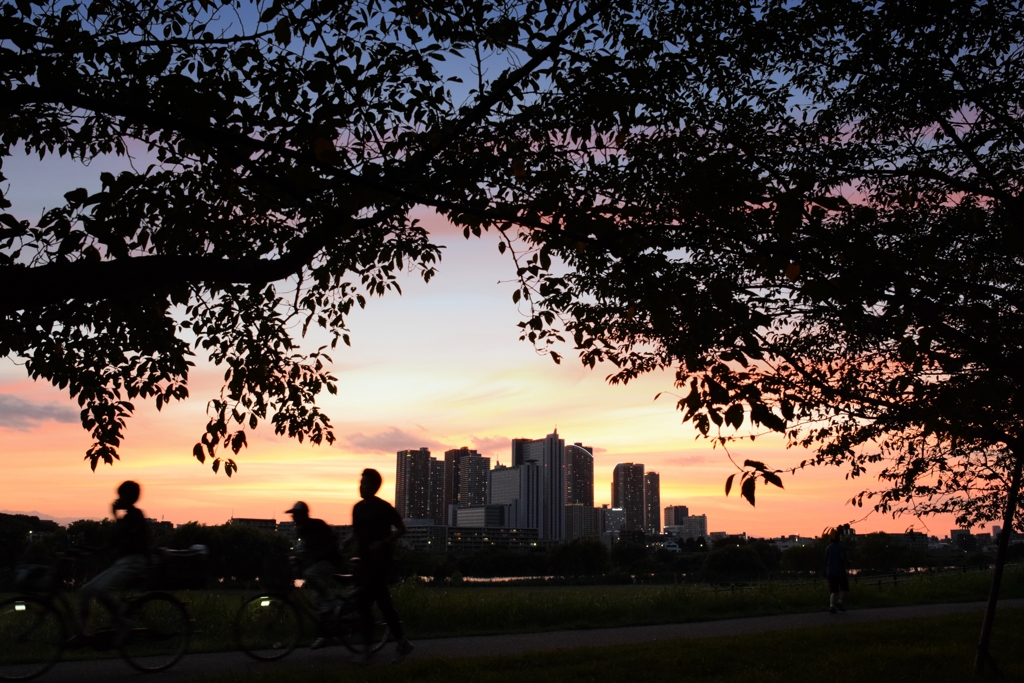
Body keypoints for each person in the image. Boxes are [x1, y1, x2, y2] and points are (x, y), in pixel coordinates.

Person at [344, 468, 414, 664]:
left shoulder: (384, 507)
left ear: (374, 487)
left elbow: (402, 529)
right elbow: (356, 531)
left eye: (365, 483)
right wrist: (348, 541)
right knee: (384, 604)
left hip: (381, 562)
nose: (361, 485)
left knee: (363, 603)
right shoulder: (357, 508)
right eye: (361, 482)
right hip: (364, 561)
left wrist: (383, 543)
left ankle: (367, 650)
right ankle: (402, 643)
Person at [76, 481, 150, 639]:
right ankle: (82, 632)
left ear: (130, 497)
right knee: (85, 591)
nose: (119, 499)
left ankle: (122, 622)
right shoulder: (129, 516)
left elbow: (122, 537)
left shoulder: (135, 516)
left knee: (100, 590)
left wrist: (115, 515)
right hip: (124, 562)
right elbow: (115, 539)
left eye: (122, 496)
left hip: (135, 562)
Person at [284, 501, 343, 649]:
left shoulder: (317, 525)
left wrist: (321, 554)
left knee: (310, 575)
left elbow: (333, 540)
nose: (293, 518)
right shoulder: (302, 530)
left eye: (296, 515)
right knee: (318, 603)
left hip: (331, 561)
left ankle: (331, 599)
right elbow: (307, 549)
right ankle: (327, 636)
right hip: (320, 562)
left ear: (303, 515)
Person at [825, 529, 850, 614]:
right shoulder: (840, 547)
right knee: (844, 588)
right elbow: (843, 558)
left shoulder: (828, 547)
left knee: (833, 590)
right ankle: (839, 601)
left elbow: (825, 559)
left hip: (830, 572)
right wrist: (848, 561)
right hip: (840, 571)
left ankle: (831, 605)